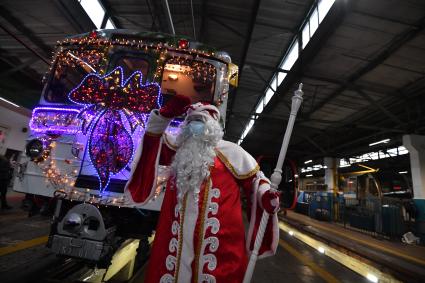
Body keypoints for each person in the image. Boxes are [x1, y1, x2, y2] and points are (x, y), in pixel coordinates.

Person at [125, 95, 280, 283]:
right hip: (174, 248)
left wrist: (266, 197)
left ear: (212, 127)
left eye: (199, 121)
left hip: (220, 248)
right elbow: (151, 144)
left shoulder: (232, 152)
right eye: (190, 121)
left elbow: (256, 181)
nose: (193, 126)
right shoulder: (178, 150)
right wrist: (163, 118)